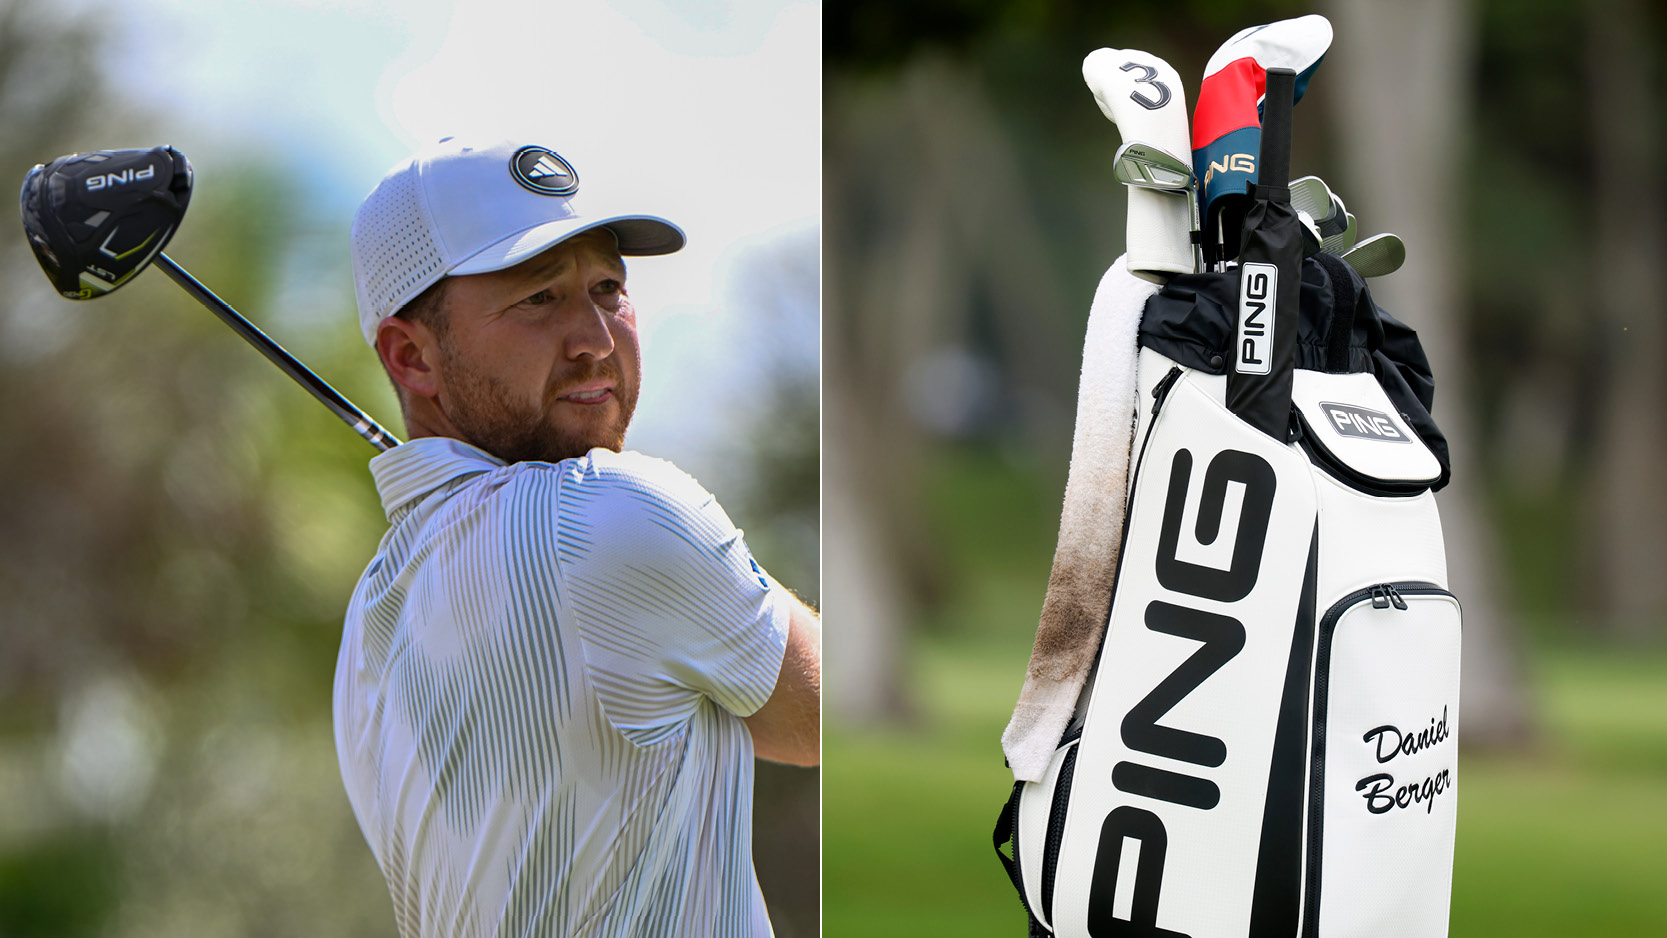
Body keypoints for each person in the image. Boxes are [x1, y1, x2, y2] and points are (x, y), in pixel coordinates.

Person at [331, 136, 821, 938]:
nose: (597, 337)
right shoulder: (610, 513)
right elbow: (820, 720)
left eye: (607, 288)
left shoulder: (369, 618)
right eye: (538, 300)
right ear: (411, 356)